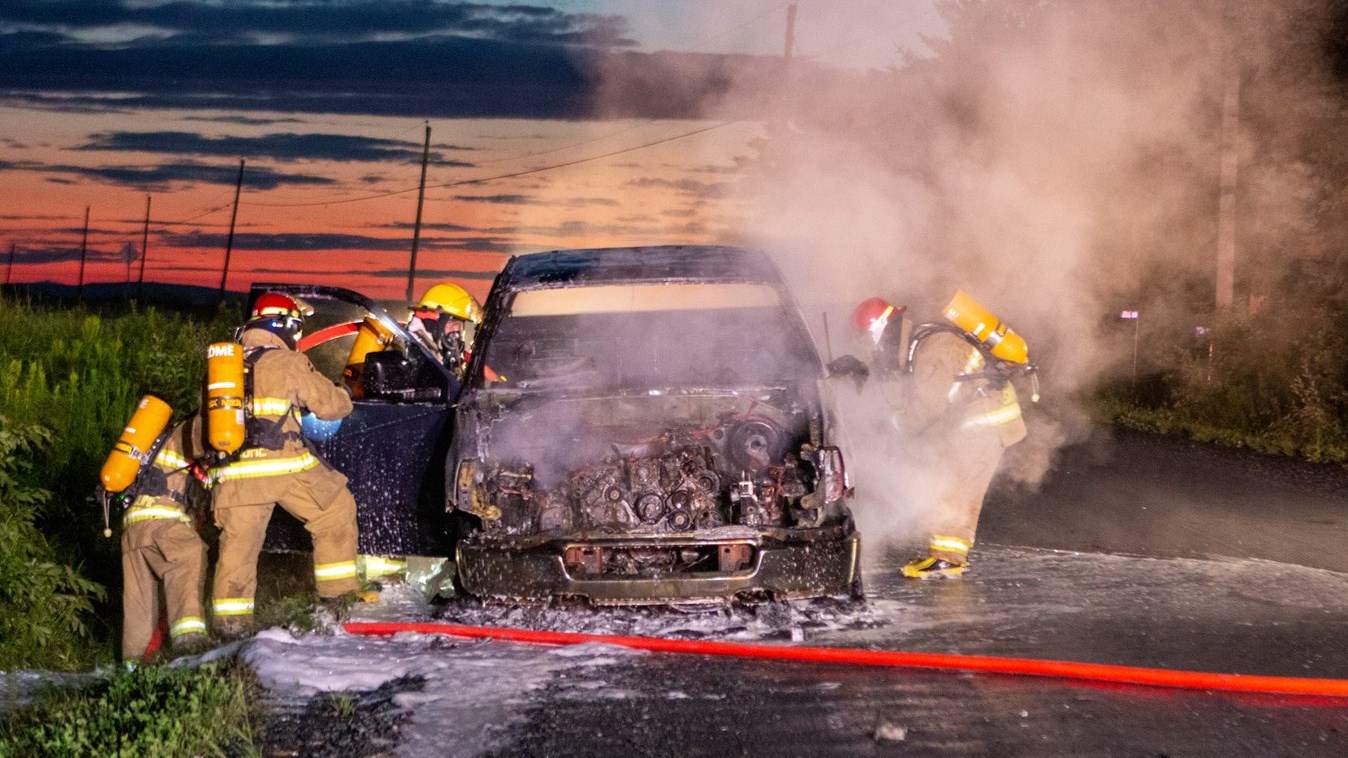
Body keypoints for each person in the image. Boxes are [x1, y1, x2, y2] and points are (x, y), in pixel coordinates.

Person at [208, 292, 361, 637]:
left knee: (237, 551)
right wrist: (345, 393)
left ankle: (230, 628)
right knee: (336, 509)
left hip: (234, 475)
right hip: (284, 466)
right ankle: (338, 602)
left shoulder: (225, 369)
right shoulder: (288, 362)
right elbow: (330, 406)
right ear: (284, 325)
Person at [852, 294, 1030, 579]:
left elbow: (928, 405)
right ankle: (946, 555)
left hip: (984, 424)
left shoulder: (933, 348)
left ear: (882, 330)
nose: (872, 347)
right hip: (971, 424)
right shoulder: (918, 344)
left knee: (956, 487)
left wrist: (896, 426)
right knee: (948, 480)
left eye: (869, 339)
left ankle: (948, 559)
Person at [115, 414, 211, 663]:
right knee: (190, 553)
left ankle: (133, 668)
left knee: (139, 603)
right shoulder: (185, 431)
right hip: (161, 519)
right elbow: (211, 436)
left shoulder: (148, 443)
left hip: (133, 529)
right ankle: (189, 642)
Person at [407, 282, 483, 379]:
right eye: (453, 324)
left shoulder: (435, 354)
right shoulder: (413, 355)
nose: (456, 331)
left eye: (459, 326)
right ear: (433, 324)